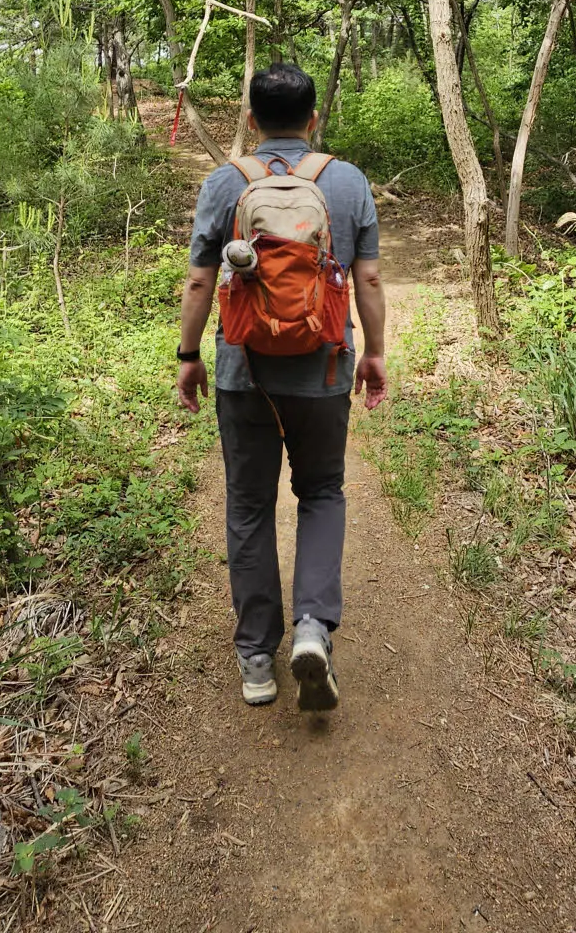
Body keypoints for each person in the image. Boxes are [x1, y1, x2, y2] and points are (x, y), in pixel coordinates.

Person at [176, 63, 388, 712]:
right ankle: (314, 628)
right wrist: (374, 353)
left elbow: (200, 280)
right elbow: (369, 279)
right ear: (313, 119)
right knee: (321, 492)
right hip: (323, 369)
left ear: (250, 120)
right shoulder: (346, 182)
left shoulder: (225, 182)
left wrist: (189, 355)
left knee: (248, 505)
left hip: (245, 371)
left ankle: (256, 660)